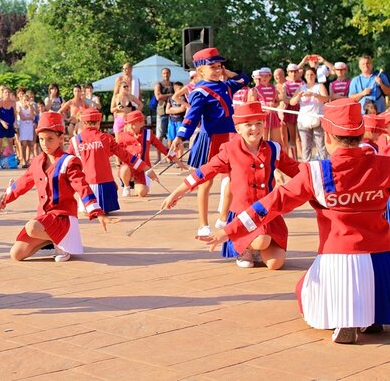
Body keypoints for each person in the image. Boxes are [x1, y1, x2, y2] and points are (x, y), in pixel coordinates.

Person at [202, 99, 389, 344]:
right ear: (361, 132)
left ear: (328, 136)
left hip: (337, 258)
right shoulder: (385, 165)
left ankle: (345, 317)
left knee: (304, 292)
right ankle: (372, 316)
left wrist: (228, 231)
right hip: (383, 257)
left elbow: (269, 205)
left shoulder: (316, 173)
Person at [162, 102, 301, 269]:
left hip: (268, 214)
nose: (254, 129)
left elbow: (297, 170)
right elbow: (204, 172)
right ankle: (243, 245)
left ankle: (256, 246)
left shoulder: (274, 149)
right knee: (263, 240)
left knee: (275, 264)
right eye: (248, 125)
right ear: (238, 129)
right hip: (243, 215)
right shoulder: (230, 150)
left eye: (258, 123)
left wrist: (324, 173)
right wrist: (177, 192)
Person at [0, 112, 114, 262]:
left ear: (61, 138)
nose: (45, 144)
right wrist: (5, 199)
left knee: (31, 227)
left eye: (50, 139)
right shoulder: (37, 161)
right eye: (41, 139)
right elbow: (22, 183)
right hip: (44, 219)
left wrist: (98, 212)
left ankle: (63, 243)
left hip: (62, 217)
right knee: (16, 254)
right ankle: (51, 239)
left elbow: (82, 186)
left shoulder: (69, 162)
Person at [169, 47, 249, 236]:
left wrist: (224, 71)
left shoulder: (226, 85)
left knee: (232, 177)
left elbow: (244, 79)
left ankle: (222, 218)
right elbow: (192, 117)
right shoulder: (200, 91)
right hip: (211, 139)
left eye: (219, 66)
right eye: (212, 66)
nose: (218, 70)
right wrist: (181, 136)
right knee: (205, 181)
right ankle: (203, 224)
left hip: (229, 139)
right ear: (200, 71)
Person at [68, 108, 148, 213]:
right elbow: (125, 155)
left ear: (83, 123)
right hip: (106, 187)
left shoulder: (74, 141)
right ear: (98, 122)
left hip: (85, 188)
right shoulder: (106, 138)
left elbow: (66, 162)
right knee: (107, 206)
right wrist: (143, 166)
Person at [117, 111, 175, 197]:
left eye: (133, 124)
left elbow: (161, 146)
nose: (130, 126)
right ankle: (127, 186)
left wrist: (174, 157)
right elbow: (117, 150)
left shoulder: (148, 134)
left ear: (141, 123)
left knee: (142, 193)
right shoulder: (123, 136)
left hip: (143, 168)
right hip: (129, 166)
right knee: (124, 169)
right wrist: (119, 164)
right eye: (129, 124)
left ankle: (138, 183)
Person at [290, 68, 328, 161]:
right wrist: (298, 96)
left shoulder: (320, 86)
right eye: (307, 75)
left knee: (321, 145)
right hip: (303, 120)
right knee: (306, 145)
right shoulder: (300, 88)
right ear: (304, 76)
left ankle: (323, 165)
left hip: (318, 119)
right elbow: (292, 102)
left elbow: (326, 99)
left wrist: (314, 95)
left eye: (311, 74)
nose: (309, 77)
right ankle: (306, 167)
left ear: (315, 75)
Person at [249, 67, 283, 146]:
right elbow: (252, 105)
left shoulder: (273, 88)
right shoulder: (255, 89)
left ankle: (276, 157)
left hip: (273, 115)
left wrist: (274, 105)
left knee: (276, 141)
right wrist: (264, 106)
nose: (264, 78)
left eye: (266, 76)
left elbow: (277, 102)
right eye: (262, 76)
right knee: (263, 140)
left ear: (270, 76)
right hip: (262, 116)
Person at [0, 87, 17, 166]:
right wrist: (2, 122)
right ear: (2, 94)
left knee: (10, 142)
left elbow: (15, 114)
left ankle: (11, 162)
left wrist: (15, 122)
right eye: (5, 92)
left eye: (8, 92)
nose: (7, 94)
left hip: (10, 125)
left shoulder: (13, 102)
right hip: (0, 124)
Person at [154, 68, 175, 162]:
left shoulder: (173, 84)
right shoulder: (158, 85)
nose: (165, 74)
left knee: (171, 136)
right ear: (161, 74)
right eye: (164, 73)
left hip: (172, 112)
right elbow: (158, 97)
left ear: (170, 74)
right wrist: (171, 95)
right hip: (161, 112)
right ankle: (158, 157)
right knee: (159, 136)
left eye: (167, 73)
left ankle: (170, 157)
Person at [165, 82, 186, 160]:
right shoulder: (170, 98)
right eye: (180, 89)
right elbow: (167, 111)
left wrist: (172, 110)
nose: (182, 90)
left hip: (180, 121)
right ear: (175, 89)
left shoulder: (184, 98)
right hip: (171, 121)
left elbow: (182, 109)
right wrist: (176, 110)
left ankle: (180, 158)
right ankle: (171, 156)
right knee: (170, 140)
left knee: (179, 140)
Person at [16, 90, 36, 168]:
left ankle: (27, 160)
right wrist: (29, 118)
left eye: (27, 100)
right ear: (21, 100)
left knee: (30, 144)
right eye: (24, 100)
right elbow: (22, 117)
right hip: (23, 127)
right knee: (24, 144)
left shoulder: (31, 107)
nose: (26, 102)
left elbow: (32, 116)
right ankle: (23, 159)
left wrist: (30, 106)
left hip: (29, 127)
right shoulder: (20, 107)